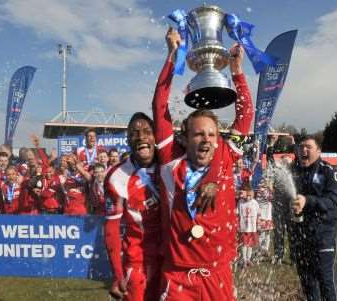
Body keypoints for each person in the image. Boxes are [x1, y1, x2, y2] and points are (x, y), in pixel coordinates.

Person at [153, 28, 253, 300]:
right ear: (185, 138)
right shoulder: (171, 159)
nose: (207, 140)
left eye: (211, 134)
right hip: (178, 276)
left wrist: (237, 71)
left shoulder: (225, 153)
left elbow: (245, 118)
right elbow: (160, 106)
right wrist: (172, 56)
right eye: (198, 134)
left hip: (217, 273)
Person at [104, 112, 162, 301]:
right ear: (128, 140)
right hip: (138, 259)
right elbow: (112, 229)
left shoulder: (171, 164)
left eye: (147, 131)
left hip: (173, 256)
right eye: (134, 133)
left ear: (156, 136)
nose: (141, 137)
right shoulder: (117, 176)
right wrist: (118, 274)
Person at [291, 136, 337, 300]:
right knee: (307, 281)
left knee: (325, 279)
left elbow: (332, 202)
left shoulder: (328, 171)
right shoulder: (295, 171)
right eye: (301, 146)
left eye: (308, 147)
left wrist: (308, 201)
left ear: (318, 151)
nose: (303, 150)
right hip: (301, 236)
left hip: (323, 235)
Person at [237, 183, 260, 268]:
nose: (247, 197)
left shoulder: (255, 203)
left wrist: (258, 224)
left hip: (252, 228)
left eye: (249, 195)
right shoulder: (240, 202)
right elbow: (238, 214)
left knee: (250, 244)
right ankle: (244, 260)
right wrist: (238, 226)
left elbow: (258, 214)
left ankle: (248, 259)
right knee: (244, 244)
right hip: (244, 228)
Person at [256, 178, 274, 259]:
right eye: (266, 180)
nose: (268, 181)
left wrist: (270, 189)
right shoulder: (261, 189)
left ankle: (266, 249)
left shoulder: (268, 189)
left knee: (267, 233)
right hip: (262, 215)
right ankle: (261, 249)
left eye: (268, 180)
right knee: (262, 233)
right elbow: (269, 198)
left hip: (268, 215)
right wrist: (270, 189)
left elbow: (273, 199)